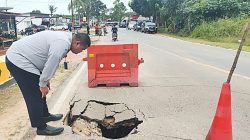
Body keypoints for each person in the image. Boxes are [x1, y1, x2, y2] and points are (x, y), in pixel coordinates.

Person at [5, 31, 91, 136]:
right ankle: (41, 127)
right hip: (18, 60)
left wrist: (45, 80)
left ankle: (45, 115)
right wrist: (43, 84)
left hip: (27, 59)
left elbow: (47, 60)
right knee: (34, 93)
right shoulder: (62, 43)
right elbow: (52, 62)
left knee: (40, 87)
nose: (81, 51)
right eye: (82, 49)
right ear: (77, 43)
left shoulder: (66, 40)